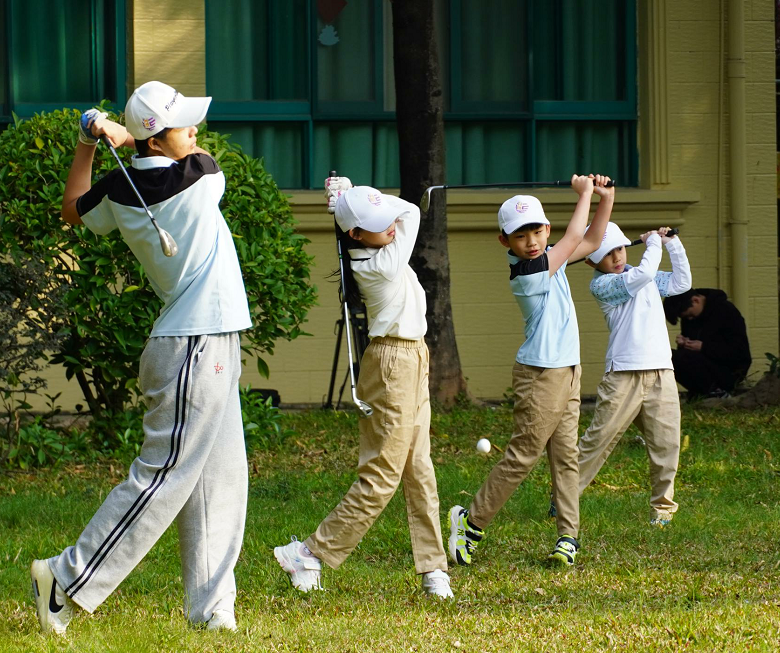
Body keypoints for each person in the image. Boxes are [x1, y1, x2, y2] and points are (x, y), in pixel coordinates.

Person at [30, 81, 250, 634]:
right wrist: (125, 138)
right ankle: (65, 577)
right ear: (157, 137)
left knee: (221, 478)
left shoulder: (118, 188)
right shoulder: (199, 176)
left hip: (204, 339)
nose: (195, 131)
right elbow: (194, 157)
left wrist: (91, 136)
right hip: (193, 345)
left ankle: (212, 609)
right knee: (164, 477)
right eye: (183, 124)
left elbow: (71, 209)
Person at [273, 179, 452, 599]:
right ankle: (309, 552)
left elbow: (395, 215)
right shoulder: (379, 263)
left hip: (412, 357)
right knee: (383, 473)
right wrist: (352, 201)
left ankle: (433, 568)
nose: (389, 223)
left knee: (419, 468)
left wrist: (349, 202)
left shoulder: (373, 245)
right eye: (377, 222)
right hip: (393, 364)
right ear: (355, 234)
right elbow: (410, 209)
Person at [448, 175, 615, 570]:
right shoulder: (528, 272)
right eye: (521, 235)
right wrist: (585, 193)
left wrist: (606, 199)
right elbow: (577, 238)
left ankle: (568, 537)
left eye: (537, 231)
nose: (532, 241)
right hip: (541, 375)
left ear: (546, 229)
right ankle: (470, 523)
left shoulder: (549, 256)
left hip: (568, 371)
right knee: (524, 456)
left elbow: (591, 241)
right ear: (505, 242)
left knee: (566, 457)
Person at [575, 224, 692, 526]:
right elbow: (641, 276)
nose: (615, 257)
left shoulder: (648, 277)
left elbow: (681, 283)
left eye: (619, 249)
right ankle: (563, 497)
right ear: (590, 261)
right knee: (597, 440)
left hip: (661, 372)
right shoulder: (602, 285)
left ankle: (663, 510)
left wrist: (672, 244)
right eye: (606, 254)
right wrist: (653, 243)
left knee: (667, 444)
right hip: (623, 375)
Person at [663, 288, 751, 399]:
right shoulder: (689, 317)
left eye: (690, 316)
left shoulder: (727, 312)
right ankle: (701, 391)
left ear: (696, 300)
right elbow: (686, 356)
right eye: (685, 318)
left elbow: (739, 354)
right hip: (704, 364)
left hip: (729, 370)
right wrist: (684, 344)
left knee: (686, 358)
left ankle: (718, 392)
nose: (689, 319)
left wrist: (703, 347)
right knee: (668, 357)